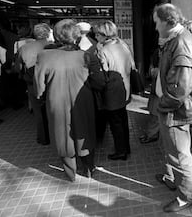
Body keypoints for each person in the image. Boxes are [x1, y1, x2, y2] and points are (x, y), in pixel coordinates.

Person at [34, 19, 105, 182]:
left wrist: (40, 98)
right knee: (85, 131)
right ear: (77, 37)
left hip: (56, 101)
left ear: (57, 37)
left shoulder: (44, 56)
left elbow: (39, 87)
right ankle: (88, 168)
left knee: (62, 135)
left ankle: (70, 172)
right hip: (83, 100)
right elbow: (99, 82)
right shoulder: (86, 56)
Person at [152, 3, 192, 212]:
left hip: (174, 112)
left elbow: (180, 91)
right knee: (174, 152)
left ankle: (185, 197)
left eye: (156, 22)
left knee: (181, 155)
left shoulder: (181, 45)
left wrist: (161, 105)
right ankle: (172, 179)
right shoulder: (175, 40)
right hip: (172, 109)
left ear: (167, 22)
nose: (155, 27)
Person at [94, 20, 134, 160]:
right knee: (122, 119)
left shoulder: (103, 50)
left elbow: (103, 72)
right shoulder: (122, 45)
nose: (95, 37)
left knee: (115, 122)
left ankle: (121, 151)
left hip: (112, 90)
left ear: (103, 34)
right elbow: (131, 65)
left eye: (97, 34)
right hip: (125, 86)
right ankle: (126, 147)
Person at [16, 23, 54, 145]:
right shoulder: (53, 47)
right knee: (54, 110)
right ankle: (56, 135)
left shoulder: (24, 48)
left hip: (32, 83)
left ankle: (43, 138)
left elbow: (18, 67)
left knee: (39, 112)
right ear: (48, 34)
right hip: (51, 82)